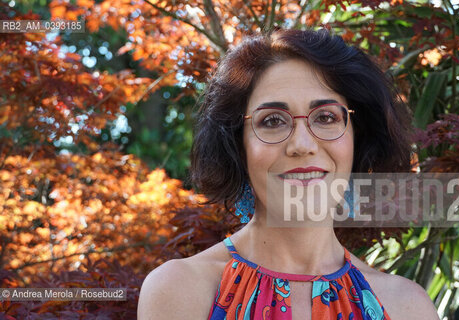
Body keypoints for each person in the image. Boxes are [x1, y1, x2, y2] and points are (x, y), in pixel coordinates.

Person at [138, 28, 439, 319]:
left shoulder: (406, 307)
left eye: (325, 117)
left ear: (356, 137)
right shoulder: (181, 291)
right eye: (272, 121)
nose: (302, 145)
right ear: (237, 145)